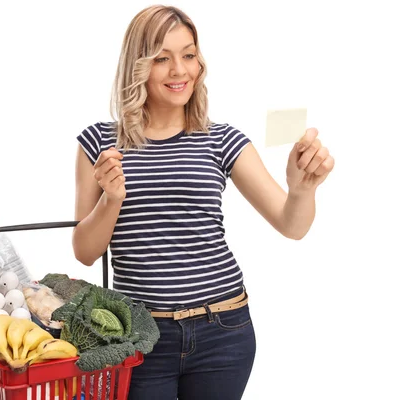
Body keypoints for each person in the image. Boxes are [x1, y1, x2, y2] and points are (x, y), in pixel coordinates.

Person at [72, 5, 335, 400]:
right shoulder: (99, 143)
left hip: (224, 332)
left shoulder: (221, 139)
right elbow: (85, 252)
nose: (180, 70)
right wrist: (111, 199)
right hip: (140, 340)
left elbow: (291, 225)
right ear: (138, 66)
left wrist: (301, 190)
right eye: (162, 58)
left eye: (189, 54)